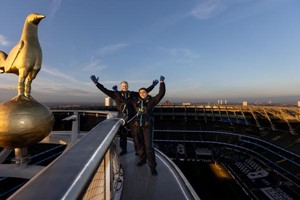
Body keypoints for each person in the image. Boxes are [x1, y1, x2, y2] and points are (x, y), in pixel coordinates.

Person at [90, 75, 158, 156]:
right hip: (122, 117)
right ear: (120, 87)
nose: (124, 87)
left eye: (125, 85)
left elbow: (144, 92)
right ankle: (124, 150)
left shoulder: (133, 94)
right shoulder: (115, 94)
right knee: (123, 135)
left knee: (136, 135)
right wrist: (97, 83)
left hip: (133, 117)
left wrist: (153, 85)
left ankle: (138, 151)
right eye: (122, 86)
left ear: (128, 86)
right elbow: (105, 90)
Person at [117, 75, 165, 176]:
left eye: (144, 92)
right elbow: (123, 99)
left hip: (147, 126)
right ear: (139, 94)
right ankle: (142, 159)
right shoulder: (135, 100)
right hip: (137, 125)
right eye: (140, 92)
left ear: (147, 93)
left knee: (148, 146)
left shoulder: (152, 101)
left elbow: (161, 93)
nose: (142, 93)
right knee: (138, 144)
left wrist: (161, 83)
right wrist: (116, 91)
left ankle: (152, 167)